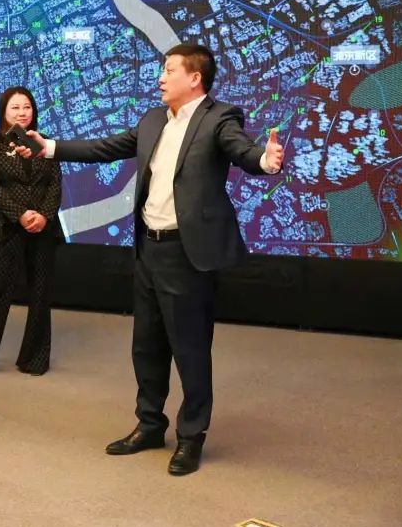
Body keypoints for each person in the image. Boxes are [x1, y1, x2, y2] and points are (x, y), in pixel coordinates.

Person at [17, 43, 285, 475]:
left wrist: (265, 161)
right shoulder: (153, 119)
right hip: (148, 249)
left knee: (189, 348)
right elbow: (106, 147)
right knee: (146, 345)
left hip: (186, 254)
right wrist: (49, 147)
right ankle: (149, 424)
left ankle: (191, 436)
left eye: (169, 70)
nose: (161, 77)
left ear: (194, 78)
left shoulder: (219, 118)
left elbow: (243, 150)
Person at [0, 86, 63, 376]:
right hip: (5, 228)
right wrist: (21, 214)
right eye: (15, 108)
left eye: (27, 107)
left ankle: (35, 359)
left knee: (41, 294)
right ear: (3, 112)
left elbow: (55, 184)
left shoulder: (44, 144)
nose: (22, 113)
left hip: (43, 228)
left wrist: (43, 215)